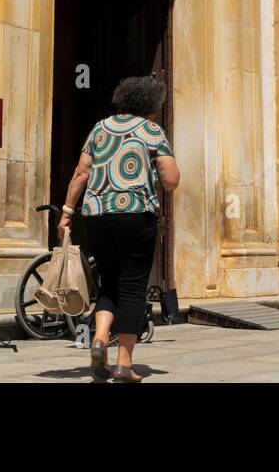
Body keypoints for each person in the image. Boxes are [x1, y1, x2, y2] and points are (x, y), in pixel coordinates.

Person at [59, 76, 179, 382]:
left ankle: (99, 338)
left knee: (109, 282)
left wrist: (67, 213)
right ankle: (124, 365)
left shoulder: (100, 128)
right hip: (136, 216)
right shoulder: (151, 131)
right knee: (133, 287)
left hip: (97, 216)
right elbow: (171, 181)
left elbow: (81, 172)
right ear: (151, 105)